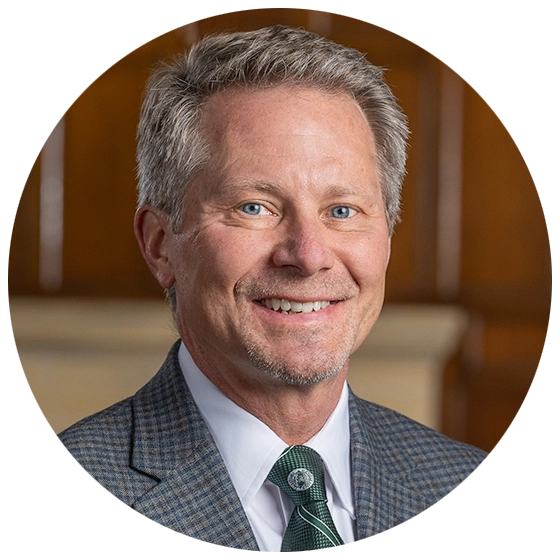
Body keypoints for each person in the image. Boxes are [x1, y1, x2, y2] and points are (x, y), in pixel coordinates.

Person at [58, 25, 487, 551]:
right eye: (254, 207)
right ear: (160, 244)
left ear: (388, 237)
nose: (308, 255)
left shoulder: (461, 477)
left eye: (342, 211)